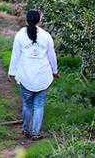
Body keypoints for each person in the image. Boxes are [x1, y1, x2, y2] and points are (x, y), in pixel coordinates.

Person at [7, 10, 59, 140]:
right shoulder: (46, 36)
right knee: (39, 105)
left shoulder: (20, 35)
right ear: (39, 21)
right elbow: (52, 56)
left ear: (26, 20)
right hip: (43, 76)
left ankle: (26, 131)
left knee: (27, 104)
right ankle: (35, 133)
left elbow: (15, 55)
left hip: (25, 76)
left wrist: (11, 72)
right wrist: (55, 71)